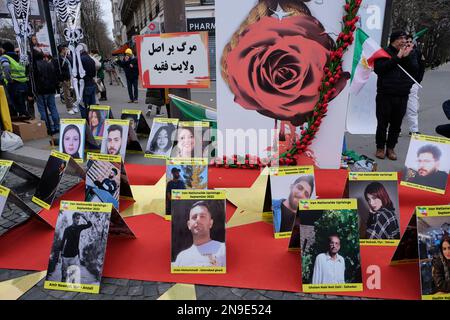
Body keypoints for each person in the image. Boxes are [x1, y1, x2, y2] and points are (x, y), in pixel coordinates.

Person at [374, 30, 419, 160]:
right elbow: (380, 69)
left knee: (396, 124)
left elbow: (414, 70)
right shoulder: (383, 53)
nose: (404, 41)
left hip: (402, 95)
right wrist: (398, 57)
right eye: (401, 38)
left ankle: (391, 148)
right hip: (385, 94)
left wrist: (407, 56)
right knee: (382, 123)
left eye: (405, 39)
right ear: (393, 40)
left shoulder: (410, 53)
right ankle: (380, 147)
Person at [173, 201, 226, 267]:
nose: (197, 220)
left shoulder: (223, 249)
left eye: (202, 216)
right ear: (189, 225)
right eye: (194, 217)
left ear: (211, 223)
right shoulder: (181, 258)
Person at [59, 212, 92, 282]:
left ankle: (71, 290)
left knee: (74, 276)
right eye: (77, 218)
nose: (78, 220)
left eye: (79, 219)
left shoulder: (79, 227)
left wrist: (85, 217)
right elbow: (63, 241)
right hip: (66, 256)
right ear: (73, 219)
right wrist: (60, 255)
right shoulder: (67, 229)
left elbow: (89, 224)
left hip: (75, 256)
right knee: (64, 276)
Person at [33, 50, 61, 134]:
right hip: (50, 89)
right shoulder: (49, 64)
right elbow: (54, 77)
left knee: (43, 110)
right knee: (53, 107)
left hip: (41, 90)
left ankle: (49, 127)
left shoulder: (35, 66)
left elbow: (35, 80)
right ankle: (57, 125)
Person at [0, 41, 30, 117]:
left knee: (16, 107)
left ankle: (23, 124)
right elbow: (26, 68)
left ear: (4, 49)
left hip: (14, 85)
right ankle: (26, 123)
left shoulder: (4, 57)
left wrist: (9, 80)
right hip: (23, 84)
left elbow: (6, 68)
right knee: (22, 105)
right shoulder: (19, 57)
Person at [405, 35, 426, 136]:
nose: (408, 43)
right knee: (398, 108)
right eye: (406, 41)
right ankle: (395, 129)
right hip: (399, 84)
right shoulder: (399, 53)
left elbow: (422, 67)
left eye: (410, 41)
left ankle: (414, 129)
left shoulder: (417, 53)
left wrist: (418, 81)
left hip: (413, 83)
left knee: (412, 107)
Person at [55, 44, 77, 115]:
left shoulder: (66, 57)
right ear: (62, 50)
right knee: (67, 94)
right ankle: (69, 108)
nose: (67, 50)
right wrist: (61, 79)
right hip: (65, 79)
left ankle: (73, 105)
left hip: (70, 77)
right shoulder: (58, 59)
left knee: (73, 92)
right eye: (65, 49)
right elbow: (58, 70)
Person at [79, 43, 97, 119]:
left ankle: (86, 122)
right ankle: (93, 120)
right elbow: (93, 73)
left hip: (84, 85)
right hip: (91, 83)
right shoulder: (91, 59)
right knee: (92, 105)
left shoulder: (80, 59)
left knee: (83, 104)